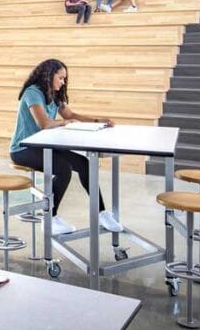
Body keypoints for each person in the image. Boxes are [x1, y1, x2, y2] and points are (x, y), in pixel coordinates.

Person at [9, 59, 121, 235]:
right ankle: (50, 218)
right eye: (60, 78)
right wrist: (65, 123)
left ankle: (101, 213)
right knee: (64, 169)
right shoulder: (32, 93)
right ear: (48, 76)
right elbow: (44, 123)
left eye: (64, 79)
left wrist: (100, 121)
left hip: (44, 146)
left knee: (84, 164)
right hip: (23, 149)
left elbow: (71, 114)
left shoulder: (53, 94)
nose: (62, 82)